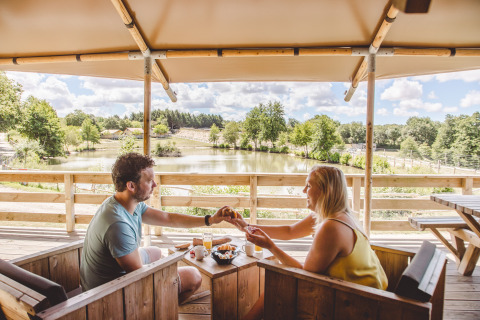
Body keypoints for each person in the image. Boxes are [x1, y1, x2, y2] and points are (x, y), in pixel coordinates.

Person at [231, 165, 388, 320]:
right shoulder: (339, 215)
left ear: (325, 190)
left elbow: (305, 274)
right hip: (370, 294)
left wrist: (270, 246)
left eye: (308, 185)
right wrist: (246, 226)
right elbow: (290, 231)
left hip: (361, 304)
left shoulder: (331, 226)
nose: (304, 190)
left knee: (277, 283)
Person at [80, 152, 232, 303]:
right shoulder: (117, 225)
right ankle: (160, 310)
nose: (155, 185)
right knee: (193, 275)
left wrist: (211, 219)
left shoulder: (126, 203)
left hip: (105, 279)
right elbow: (140, 276)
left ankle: (165, 299)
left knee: (156, 251)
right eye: (149, 181)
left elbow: (168, 218)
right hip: (106, 297)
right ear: (131, 185)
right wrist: (167, 274)